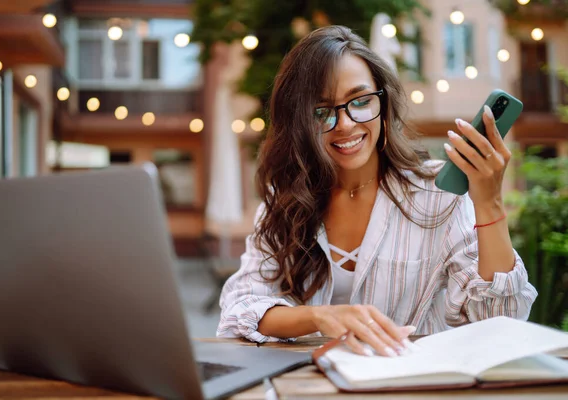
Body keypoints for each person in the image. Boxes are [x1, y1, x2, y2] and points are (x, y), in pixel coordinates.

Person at [217, 25, 537, 357]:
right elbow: (239, 309)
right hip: (309, 387)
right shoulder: (286, 200)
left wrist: (488, 202)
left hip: (413, 384)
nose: (345, 124)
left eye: (359, 101)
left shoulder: (437, 194)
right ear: (301, 123)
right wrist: (319, 316)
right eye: (322, 111)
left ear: (383, 105)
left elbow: (501, 319)